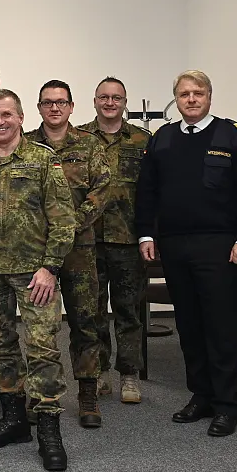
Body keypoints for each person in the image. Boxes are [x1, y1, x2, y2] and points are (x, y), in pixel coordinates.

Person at [136, 70, 237, 437]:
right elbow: (147, 192)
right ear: (175, 99)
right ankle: (201, 395)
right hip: (174, 244)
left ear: (209, 96)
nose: (191, 99)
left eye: (198, 93)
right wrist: (146, 233)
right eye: (184, 94)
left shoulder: (232, 135)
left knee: (220, 326)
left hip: (217, 245)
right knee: (189, 325)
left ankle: (227, 405)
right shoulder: (162, 138)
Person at [0, 89, 76, 471]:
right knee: (0, 346)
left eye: (6, 115)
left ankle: (49, 429)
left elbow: (63, 220)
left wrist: (50, 267)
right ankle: (14, 420)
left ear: (21, 118)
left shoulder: (42, 160)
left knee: (42, 348)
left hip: (34, 273)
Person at [25, 80, 110, 428]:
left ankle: (88, 394)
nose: (54, 108)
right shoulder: (26, 146)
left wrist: (66, 227)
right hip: (37, 249)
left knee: (85, 321)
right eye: (48, 103)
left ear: (72, 107)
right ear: (39, 108)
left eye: (61, 102)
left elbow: (100, 193)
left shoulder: (89, 145)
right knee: (39, 327)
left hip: (78, 249)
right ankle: (41, 393)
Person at [78, 77, 151, 403]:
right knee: (92, 311)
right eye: (104, 97)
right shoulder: (79, 138)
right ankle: (100, 371)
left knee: (128, 311)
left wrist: (151, 234)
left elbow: (153, 191)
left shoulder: (143, 140)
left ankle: (129, 374)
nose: (110, 103)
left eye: (116, 98)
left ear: (125, 102)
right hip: (88, 239)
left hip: (128, 239)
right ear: (95, 101)